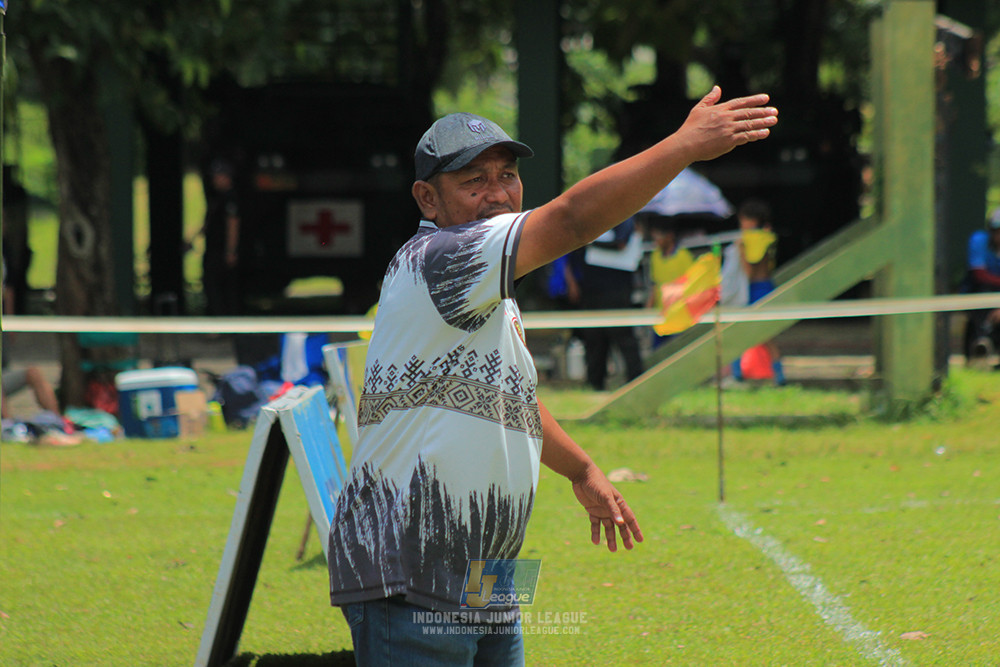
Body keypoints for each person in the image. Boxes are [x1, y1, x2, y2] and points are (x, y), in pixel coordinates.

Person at [327, 87, 778, 665]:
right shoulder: (442, 257)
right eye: (473, 182)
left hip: (486, 569)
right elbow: (570, 219)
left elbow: (510, 396)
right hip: (411, 567)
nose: (498, 194)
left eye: (507, 175)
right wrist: (683, 146)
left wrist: (582, 469)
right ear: (427, 198)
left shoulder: (488, 287)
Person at [578, 216, 645, 390]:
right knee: (594, 339)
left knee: (623, 336)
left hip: (617, 289)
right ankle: (594, 384)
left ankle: (636, 382)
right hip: (593, 288)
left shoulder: (625, 218)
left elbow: (621, 243)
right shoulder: (594, 219)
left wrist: (590, 243)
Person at [727, 199, 786, 386]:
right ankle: (779, 376)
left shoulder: (751, 240)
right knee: (766, 337)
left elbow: (749, 272)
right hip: (767, 287)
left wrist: (741, 250)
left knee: (742, 335)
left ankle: (737, 374)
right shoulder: (767, 237)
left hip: (755, 291)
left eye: (743, 220)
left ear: (751, 220)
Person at [200, 158, 242, 316]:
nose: (214, 180)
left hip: (221, 251)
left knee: (217, 286)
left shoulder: (231, 198)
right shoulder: (217, 197)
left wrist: (231, 250)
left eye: (217, 176)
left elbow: (233, 225)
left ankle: (221, 322)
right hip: (213, 248)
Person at [645, 216, 695, 349]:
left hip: (679, 317)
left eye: (659, 237)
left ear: (669, 236)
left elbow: (692, 287)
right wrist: (648, 309)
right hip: (660, 316)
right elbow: (655, 285)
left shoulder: (684, 256)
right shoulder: (655, 256)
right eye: (654, 237)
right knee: (657, 354)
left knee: (678, 353)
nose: (657, 241)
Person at [963, 206, 1000, 362]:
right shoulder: (979, 240)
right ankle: (981, 343)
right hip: (981, 289)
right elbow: (979, 273)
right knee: (982, 293)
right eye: (995, 230)